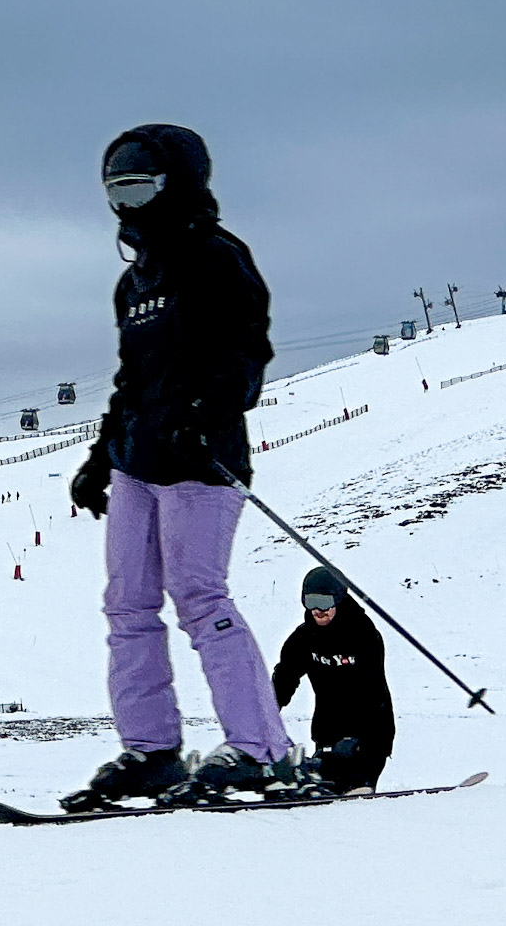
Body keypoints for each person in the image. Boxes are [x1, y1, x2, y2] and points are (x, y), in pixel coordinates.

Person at [67, 124, 299, 807]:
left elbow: (247, 356)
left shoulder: (217, 258)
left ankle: (261, 750)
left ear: (181, 184)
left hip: (200, 461)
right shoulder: (133, 283)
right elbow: (130, 380)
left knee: (199, 596)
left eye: (142, 184)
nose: (127, 202)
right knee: (127, 604)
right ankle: (152, 751)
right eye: (117, 188)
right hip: (137, 463)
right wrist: (98, 460)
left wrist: (205, 419)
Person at [273, 566, 395, 794]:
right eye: (311, 602)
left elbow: (373, 690)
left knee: (354, 791)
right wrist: (262, 720)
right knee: (324, 792)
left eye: (324, 602)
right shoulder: (303, 639)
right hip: (328, 735)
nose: (318, 610)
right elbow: (283, 681)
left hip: (371, 735)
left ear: (338, 600)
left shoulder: (364, 634)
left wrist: (359, 740)